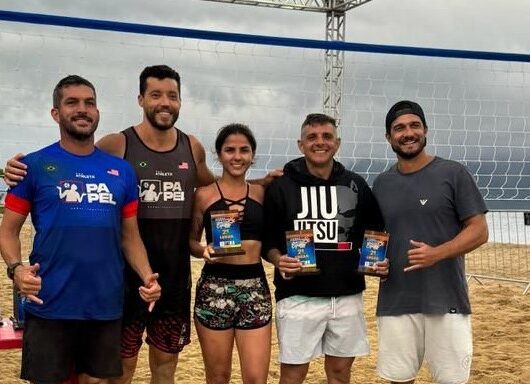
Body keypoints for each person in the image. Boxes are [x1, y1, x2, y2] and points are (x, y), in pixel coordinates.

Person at [3, 65, 279, 384]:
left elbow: (215, 185)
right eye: (156, 95)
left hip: (171, 280)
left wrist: (258, 183)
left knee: (164, 367)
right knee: (121, 371)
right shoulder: (116, 146)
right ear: (140, 99)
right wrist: (16, 169)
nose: (165, 102)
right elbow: (72, 160)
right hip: (122, 283)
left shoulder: (191, 147)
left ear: (180, 102)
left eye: (172, 96)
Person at [0, 75, 161, 384]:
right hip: (49, 301)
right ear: (56, 113)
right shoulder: (32, 166)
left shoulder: (121, 172)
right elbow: (7, 231)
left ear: (98, 111)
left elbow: (130, 236)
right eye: (72, 102)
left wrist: (146, 275)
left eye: (90, 103)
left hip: (104, 302)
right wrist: (16, 269)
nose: (83, 110)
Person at [262, 113, 387, 384]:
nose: (320, 142)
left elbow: (375, 232)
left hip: (347, 295)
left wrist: (378, 262)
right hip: (297, 296)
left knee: (340, 373)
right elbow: (267, 240)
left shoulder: (356, 184)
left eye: (327, 136)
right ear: (300, 144)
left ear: (337, 143)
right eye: (312, 137)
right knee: (293, 375)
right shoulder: (282, 186)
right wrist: (278, 259)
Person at [372, 100, 488, 384]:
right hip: (396, 300)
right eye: (399, 128)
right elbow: (376, 239)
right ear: (389, 137)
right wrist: (373, 264)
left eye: (414, 125)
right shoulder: (381, 183)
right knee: (399, 379)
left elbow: (479, 230)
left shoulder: (453, 173)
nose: (407, 133)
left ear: (425, 130)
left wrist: (437, 253)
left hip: (446, 300)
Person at [189, 123, 272, 384]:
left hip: (255, 288)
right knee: (218, 377)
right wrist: (203, 250)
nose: (237, 157)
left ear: (253, 155)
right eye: (230, 150)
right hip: (215, 287)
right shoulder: (203, 195)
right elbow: (190, 241)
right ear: (219, 154)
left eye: (244, 150)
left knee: (256, 378)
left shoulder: (261, 192)